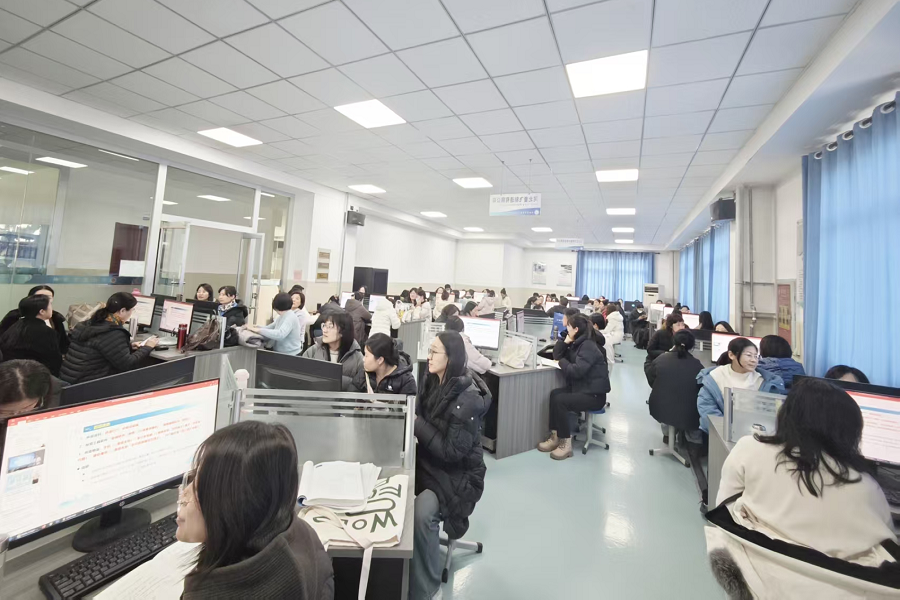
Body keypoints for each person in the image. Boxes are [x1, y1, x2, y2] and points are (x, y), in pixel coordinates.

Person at [717, 378, 894, 560]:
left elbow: (722, 513)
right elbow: (887, 548)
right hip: (830, 577)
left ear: (786, 415)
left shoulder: (750, 449)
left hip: (754, 568)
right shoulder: (865, 487)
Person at [175, 420, 334, 599]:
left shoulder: (215, 593)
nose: (185, 493)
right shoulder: (296, 531)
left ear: (231, 504)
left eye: (199, 486)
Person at [411, 331, 491, 600]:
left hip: (459, 475)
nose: (429, 356)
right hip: (432, 462)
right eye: (430, 350)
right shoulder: (432, 379)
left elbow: (452, 451)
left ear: (451, 358)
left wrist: (418, 425)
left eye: (434, 352)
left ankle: (428, 589)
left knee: (422, 514)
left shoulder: (467, 399)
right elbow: (421, 414)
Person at [537, 314, 610, 461]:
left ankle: (566, 444)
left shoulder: (588, 346)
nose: (566, 329)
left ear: (576, 329)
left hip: (594, 395)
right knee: (554, 395)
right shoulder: (577, 342)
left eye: (569, 327)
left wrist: (561, 362)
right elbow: (557, 354)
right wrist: (565, 342)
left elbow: (576, 371)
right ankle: (555, 436)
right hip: (583, 388)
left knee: (561, 401)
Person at [60, 292, 158, 385]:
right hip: (86, 385)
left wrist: (128, 346)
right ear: (122, 311)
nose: (132, 313)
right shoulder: (113, 332)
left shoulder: (87, 324)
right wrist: (148, 347)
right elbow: (127, 364)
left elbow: (98, 347)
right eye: (132, 310)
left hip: (69, 380)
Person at [697, 337, 786, 434]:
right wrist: (730, 432)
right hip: (720, 435)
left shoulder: (764, 381)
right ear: (731, 355)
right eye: (749, 355)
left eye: (756, 356)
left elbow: (771, 413)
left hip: (755, 435)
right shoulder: (715, 377)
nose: (754, 360)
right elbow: (707, 411)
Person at [647, 330, 704, 446]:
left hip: (660, 408)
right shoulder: (698, 365)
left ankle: (667, 435)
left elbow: (652, 381)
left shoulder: (661, 360)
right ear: (692, 346)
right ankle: (693, 446)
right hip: (688, 413)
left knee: (668, 407)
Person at [302, 311, 365, 392]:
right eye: (324, 325)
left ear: (342, 331)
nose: (324, 330)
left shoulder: (357, 357)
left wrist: (336, 380)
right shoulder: (313, 351)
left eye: (330, 327)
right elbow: (301, 377)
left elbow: (361, 387)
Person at [0, 295, 62, 376]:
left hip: (10, 372)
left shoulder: (14, 326)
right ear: (42, 311)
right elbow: (54, 360)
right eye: (50, 306)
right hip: (35, 375)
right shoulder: (47, 332)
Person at [0, 285, 69, 355]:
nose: (43, 299)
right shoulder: (15, 315)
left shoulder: (56, 317)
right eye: (39, 296)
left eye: (48, 297)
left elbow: (62, 342)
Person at [645, 312, 685, 382]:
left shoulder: (684, 336)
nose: (681, 327)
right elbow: (650, 350)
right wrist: (665, 353)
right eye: (678, 325)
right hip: (656, 361)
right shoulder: (660, 334)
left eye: (682, 324)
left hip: (673, 362)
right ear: (671, 326)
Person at [600, 302, 624, 369]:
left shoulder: (612, 318)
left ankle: (609, 359)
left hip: (615, 336)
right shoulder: (617, 316)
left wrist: (598, 331)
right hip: (618, 335)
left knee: (605, 340)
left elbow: (607, 330)